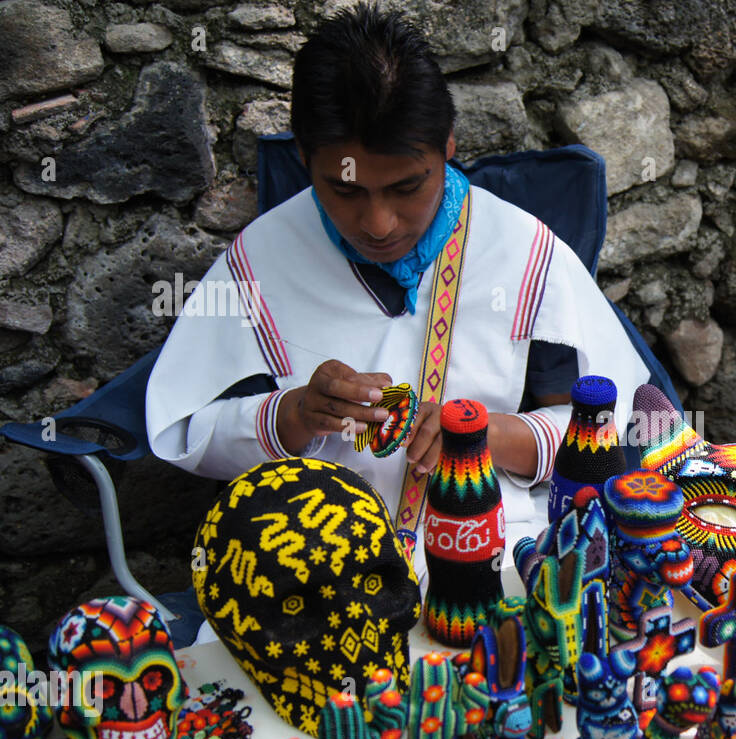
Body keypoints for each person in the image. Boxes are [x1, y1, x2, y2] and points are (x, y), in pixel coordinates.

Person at [146, 5, 649, 596]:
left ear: (448, 148)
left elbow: (602, 432)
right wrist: (295, 415)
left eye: (407, 186)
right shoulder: (264, 258)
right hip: (317, 573)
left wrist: (490, 435)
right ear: (305, 159)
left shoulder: (522, 253)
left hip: (492, 551)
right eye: (344, 189)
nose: (379, 223)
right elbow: (187, 430)